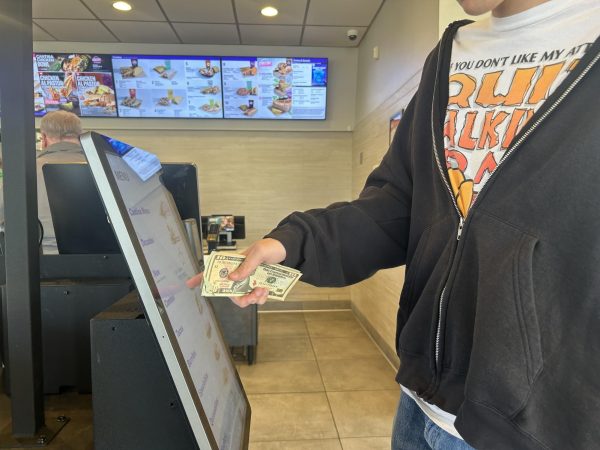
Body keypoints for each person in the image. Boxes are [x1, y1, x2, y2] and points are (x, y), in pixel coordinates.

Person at [188, 0, 600, 448]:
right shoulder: (449, 54)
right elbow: (398, 206)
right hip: (419, 401)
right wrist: (293, 241)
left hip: (529, 430)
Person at [36, 111, 86, 254]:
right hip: (107, 263)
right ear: (80, 136)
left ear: (44, 138)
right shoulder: (106, 166)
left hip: (40, 264)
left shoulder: (22, 171)